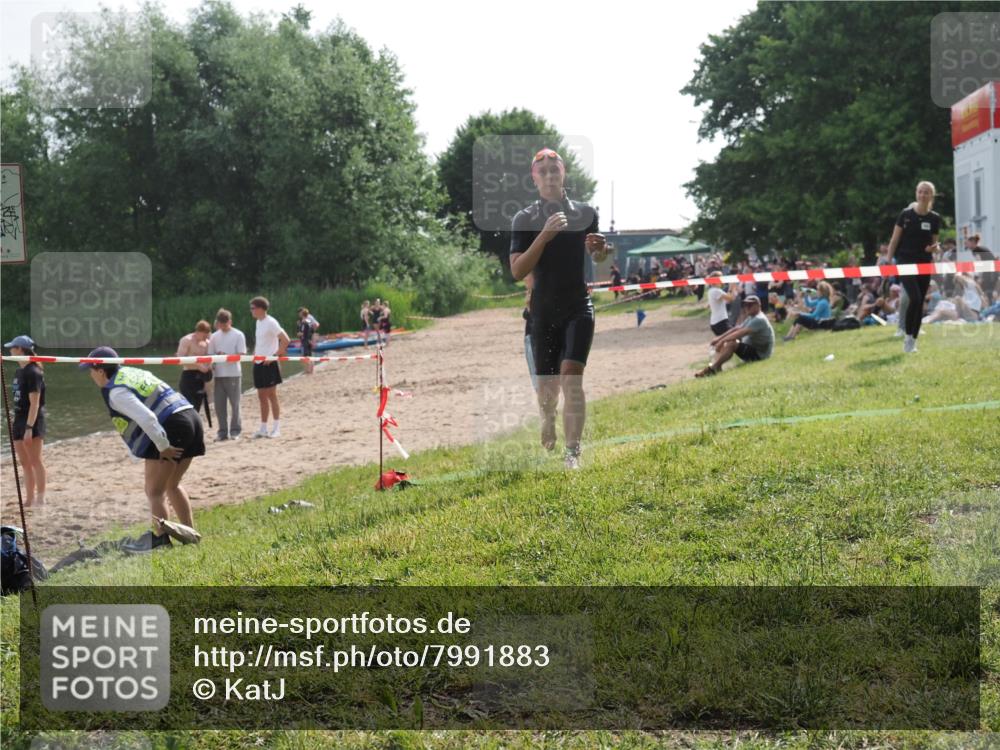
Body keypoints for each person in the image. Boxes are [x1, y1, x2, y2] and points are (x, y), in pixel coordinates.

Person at [509, 148, 606, 469]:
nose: (550, 175)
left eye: (555, 169)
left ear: (564, 173)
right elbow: (518, 271)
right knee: (548, 389)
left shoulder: (586, 214)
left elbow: (600, 260)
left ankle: (572, 453)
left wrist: (602, 250)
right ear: (534, 178)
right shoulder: (524, 219)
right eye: (543, 171)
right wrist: (544, 237)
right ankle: (547, 419)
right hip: (542, 314)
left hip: (578, 306)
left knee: (572, 379)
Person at [81, 346, 204, 549]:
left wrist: (163, 446)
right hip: (190, 416)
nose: (90, 376)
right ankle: (191, 536)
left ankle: (162, 540)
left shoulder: (116, 392)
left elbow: (147, 418)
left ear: (101, 371)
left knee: (154, 491)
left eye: (90, 371)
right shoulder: (131, 373)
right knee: (172, 484)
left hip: (172, 425)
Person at [885, 181, 941, 353]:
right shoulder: (906, 214)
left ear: (931, 196)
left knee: (920, 302)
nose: (923, 195)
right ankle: (906, 335)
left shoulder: (934, 218)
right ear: (916, 193)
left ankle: (912, 340)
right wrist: (888, 260)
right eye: (920, 192)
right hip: (905, 262)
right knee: (914, 298)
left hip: (924, 263)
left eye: (926, 192)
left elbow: (935, 244)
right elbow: (894, 240)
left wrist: (934, 249)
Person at [5, 335, 46, 507]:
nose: (9, 350)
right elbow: (19, 399)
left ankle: (41, 498)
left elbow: (35, 404)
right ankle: (28, 499)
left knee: (35, 460)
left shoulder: (33, 372)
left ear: (20, 349)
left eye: (12, 347)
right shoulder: (19, 371)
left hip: (32, 420)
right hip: (20, 418)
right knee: (24, 462)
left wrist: (29, 427)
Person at [695, 295, 774, 377]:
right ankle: (716, 366)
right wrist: (720, 338)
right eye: (746, 305)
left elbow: (740, 333)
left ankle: (713, 368)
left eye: (750, 305)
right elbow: (736, 329)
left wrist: (722, 341)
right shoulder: (752, 317)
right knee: (728, 342)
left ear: (758, 305)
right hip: (755, 350)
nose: (747, 307)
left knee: (732, 343)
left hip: (760, 355)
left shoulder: (759, 319)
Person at [250, 296, 290, 438]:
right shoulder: (258, 323)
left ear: (261, 308)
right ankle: (263, 428)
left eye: (253, 308)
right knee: (261, 396)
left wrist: (274, 356)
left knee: (272, 395)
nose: (251, 311)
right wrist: (255, 353)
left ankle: (277, 428)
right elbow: (260, 341)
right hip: (259, 363)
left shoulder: (271, 322)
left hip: (270, 364)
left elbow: (285, 340)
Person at [208, 308, 246, 441]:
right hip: (218, 375)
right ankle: (222, 432)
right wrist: (215, 358)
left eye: (225, 323)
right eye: (221, 323)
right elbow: (210, 354)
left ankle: (235, 431)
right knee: (219, 405)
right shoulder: (214, 336)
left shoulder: (238, 334)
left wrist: (228, 357)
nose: (223, 326)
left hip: (233, 373)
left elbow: (241, 354)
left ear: (230, 321)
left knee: (235, 404)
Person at [176, 321, 212, 414]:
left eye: (207, 336)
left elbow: (210, 358)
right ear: (199, 332)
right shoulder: (187, 340)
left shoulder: (207, 342)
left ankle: (195, 425)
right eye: (204, 336)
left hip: (201, 376)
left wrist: (208, 366)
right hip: (188, 375)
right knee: (188, 405)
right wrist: (198, 365)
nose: (205, 338)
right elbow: (180, 359)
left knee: (198, 404)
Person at [297, 307, 316, 375]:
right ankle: (311, 370)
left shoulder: (304, 322)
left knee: (305, 357)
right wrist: (313, 340)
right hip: (309, 341)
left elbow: (303, 332)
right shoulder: (309, 322)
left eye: (299, 313)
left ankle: (307, 371)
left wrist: (299, 334)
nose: (299, 314)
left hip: (305, 341)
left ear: (302, 314)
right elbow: (313, 331)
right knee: (310, 356)